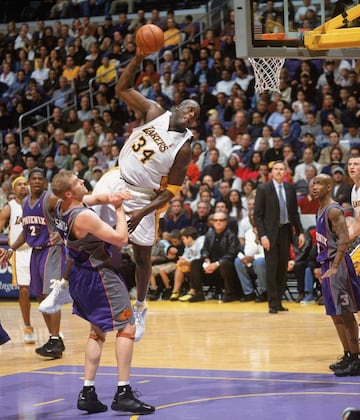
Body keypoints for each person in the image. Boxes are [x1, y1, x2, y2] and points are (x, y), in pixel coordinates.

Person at [40, 45, 200, 342]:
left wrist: (140, 213)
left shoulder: (186, 148)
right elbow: (122, 87)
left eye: (196, 114)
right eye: (189, 108)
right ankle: (62, 287)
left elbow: (172, 193)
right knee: (80, 225)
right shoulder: (154, 111)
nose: (191, 114)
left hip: (145, 196)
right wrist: (138, 58)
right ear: (178, 108)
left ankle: (140, 307)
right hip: (117, 178)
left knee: (142, 255)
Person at [50, 172, 156, 413]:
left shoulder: (60, 207)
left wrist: (110, 197)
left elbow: (92, 198)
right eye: (78, 183)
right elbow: (120, 239)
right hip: (98, 276)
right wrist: (119, 208)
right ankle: (123, 392)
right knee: (127, 326)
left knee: (97, 331)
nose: (83, 183)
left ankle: (87, 392)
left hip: (78, 274)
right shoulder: (84, 217)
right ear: (69, 193)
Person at [0, 168, 66, 358]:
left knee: (49, 295)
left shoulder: (50, 199)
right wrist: (12, 248)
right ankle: (55, 340)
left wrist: (62, 233)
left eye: (40, 178)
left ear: (44, 183)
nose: (37, 181)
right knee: (39, 296)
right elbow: (26, 231)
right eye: (34, 179)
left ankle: (55, 338)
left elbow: (70, 211)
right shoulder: (26, 204)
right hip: (34, 252)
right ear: (29, 182)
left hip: (51, 251)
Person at [312, 173, 360, 376]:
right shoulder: (320, 209)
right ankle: (348, 354)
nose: (314, 186)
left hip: (338, 266)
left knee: (347, 313)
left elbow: (344, 239)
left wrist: (335, 265)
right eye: (313, 183)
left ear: (329, 186)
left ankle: (357, 358)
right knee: (335, 314)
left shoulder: (333, 210)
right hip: (327, 264)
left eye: (319, 183)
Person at [254, 161, 305, 314]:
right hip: (269, 235)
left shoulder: (290, 188)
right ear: (271, 172)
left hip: (286, 232)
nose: (278, 171)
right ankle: (272, 304)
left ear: (285, 172)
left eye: (281, 169)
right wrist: (262, 235)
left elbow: (294, 213)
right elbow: (258, 215)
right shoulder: (263, 188)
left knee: (282, 268)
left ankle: (279, 301)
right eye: (276, 169)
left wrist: (301, 232)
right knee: (272, 268)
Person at [0, 176, 35, 344]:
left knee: (45, 292)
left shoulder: (35, 204)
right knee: (24, 290)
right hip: (19, 252)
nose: (23, 187)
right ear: (13, 190)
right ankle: (27, 326)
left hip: (37, 250)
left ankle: (53, 330)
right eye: (19, 184)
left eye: (25, 184)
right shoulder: (9, 207)